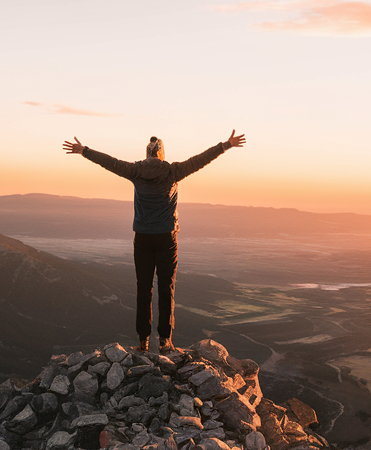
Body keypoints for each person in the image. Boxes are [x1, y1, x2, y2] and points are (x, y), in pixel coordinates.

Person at [63, 130, 246, 353]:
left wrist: (85, 151)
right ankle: (165, 341)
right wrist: (225, 145)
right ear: (161, 153)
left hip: (142, 238)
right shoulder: (173, 171)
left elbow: (109, 162)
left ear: (147, 153)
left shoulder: (135, 171)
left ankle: (143, 342)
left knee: (144, 288)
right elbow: (201, 160)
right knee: (166, 287)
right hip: (167, 237)